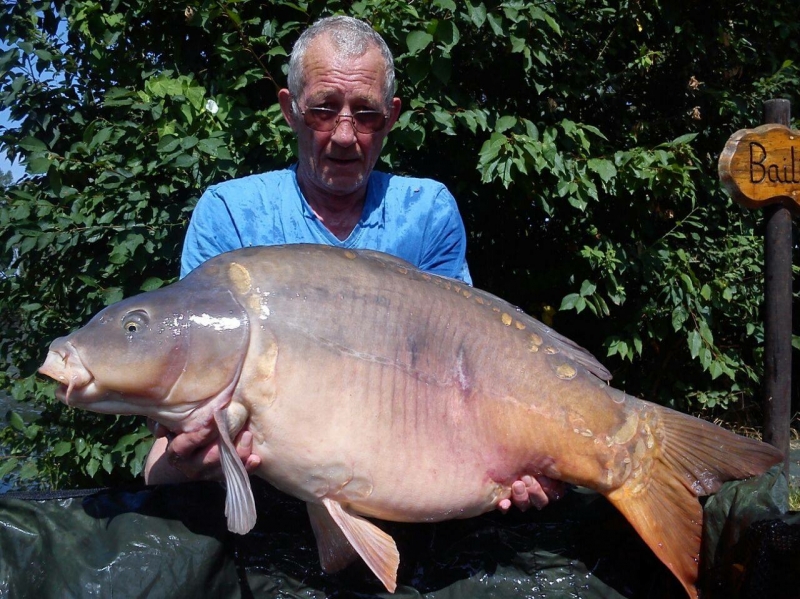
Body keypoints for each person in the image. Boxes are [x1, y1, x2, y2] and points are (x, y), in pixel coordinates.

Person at [144, 15, 562, 513]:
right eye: (324, 109)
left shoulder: (426, 213)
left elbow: (468, 381)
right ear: (290, 109)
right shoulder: (232, 214)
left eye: (366, 114)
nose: (345, 134)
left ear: (391, 116)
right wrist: (186, 460)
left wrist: (531, 456)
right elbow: (175, 436)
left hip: (411, 487)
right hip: (267, 509)